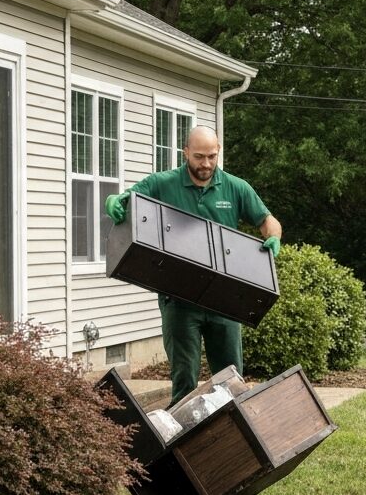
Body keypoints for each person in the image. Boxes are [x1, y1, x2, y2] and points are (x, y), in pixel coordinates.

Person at [104, 126, 282, 405]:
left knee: (231, 378)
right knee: (184, 378)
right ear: (185, 152)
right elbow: (129, 199)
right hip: (179, 300)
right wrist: (115, 200)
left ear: (218, 152)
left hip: (223, 301)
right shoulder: (163, 183)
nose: (206, 164)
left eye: (212, 156)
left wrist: (273, 238)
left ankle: (232, 435)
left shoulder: (236, 188)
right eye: (199, 156)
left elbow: (267, 221)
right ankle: (181, 438)